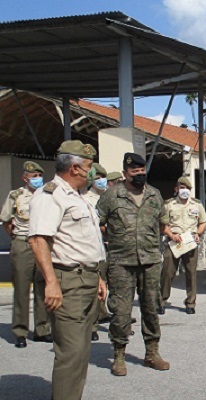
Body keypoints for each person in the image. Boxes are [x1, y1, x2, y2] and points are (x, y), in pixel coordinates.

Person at [28, 141, 107, 400]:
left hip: (86, 278)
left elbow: (81, 243)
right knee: (71, 353)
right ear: (74, 168)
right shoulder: (51, 195)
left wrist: (97, 276)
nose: (92, 172)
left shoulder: (78, 197)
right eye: (88, 166)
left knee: (81, 351)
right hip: (67, 281)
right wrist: (51, 283)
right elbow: (38, 240)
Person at [96, 152, 170, 376]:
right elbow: (98, 223)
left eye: (142, 171)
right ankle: (119, 355)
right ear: (125, 173)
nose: (139, 174)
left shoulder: (154, 195)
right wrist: (116, 239)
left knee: (151, 308)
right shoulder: (111, 196)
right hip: (121, 262)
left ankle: (152, 353)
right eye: (134, 171)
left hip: (150, 261)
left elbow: (162, 224)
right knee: (120, 311)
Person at [0, 161, 52, 348]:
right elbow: (6, 220)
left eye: (40, 176)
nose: (37, 179)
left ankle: (42, 329)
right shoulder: (16, 196)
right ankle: (20, 332)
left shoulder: (48, 195)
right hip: (23, 243)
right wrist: (16, 237)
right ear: (25, 178)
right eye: (33, 176)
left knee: (42, 286)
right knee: (22, 289)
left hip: (42, 243)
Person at [159, 176, 206, 315]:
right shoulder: (169, 204)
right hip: (174, 242)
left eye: (187, 188)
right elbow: (163, 224)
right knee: (167, 272)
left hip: (190, 242)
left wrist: (198, 233)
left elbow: (203, 222)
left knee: (191, 274)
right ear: (176, 189)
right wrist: (171, 234)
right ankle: (161, 301)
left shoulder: (196, 204)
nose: (184, 190)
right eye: (181, 188)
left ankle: (190, 303)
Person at [83, 162, 111, 341]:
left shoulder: (112, 196)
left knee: (117, 286)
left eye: (103, 177)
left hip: (115, 247)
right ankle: (93, 325)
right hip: (96, 247)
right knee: (96, 286)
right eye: (97, 178)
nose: (101, 181)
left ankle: (119, 324)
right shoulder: (85, 199)